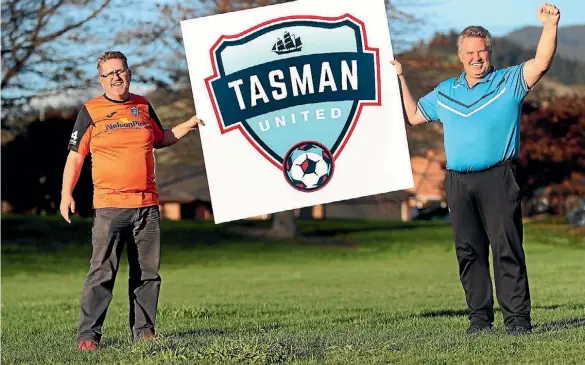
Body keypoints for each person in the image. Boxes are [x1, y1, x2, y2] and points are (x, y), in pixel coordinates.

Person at [391, 3, 560, 335]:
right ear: (460, 56)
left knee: (506, 247)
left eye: (481, 51)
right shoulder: (445, 92)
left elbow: (541, 62)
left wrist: (550, 26)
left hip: (498, 176)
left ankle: (517, 321)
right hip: (458, 181)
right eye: (469, 52)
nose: (476, 57)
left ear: (489, 52)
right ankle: (479, 320)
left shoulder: (510, 81)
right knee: (468, 251)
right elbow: (413, 116)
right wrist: (400, 78)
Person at [59, 51, 204, 351]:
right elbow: (75, 157)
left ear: (129, 73)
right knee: (101, 273)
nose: (116, 77)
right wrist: (65, 194)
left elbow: (161, 138)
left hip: (147, 207)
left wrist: (188, 124)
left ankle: (145, 332)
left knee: (148, 274)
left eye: (120, 71)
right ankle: (88, 336)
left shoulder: (143, 105)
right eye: (109, 73)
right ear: (101, 79)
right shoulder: (90, 110)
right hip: (110, 207)